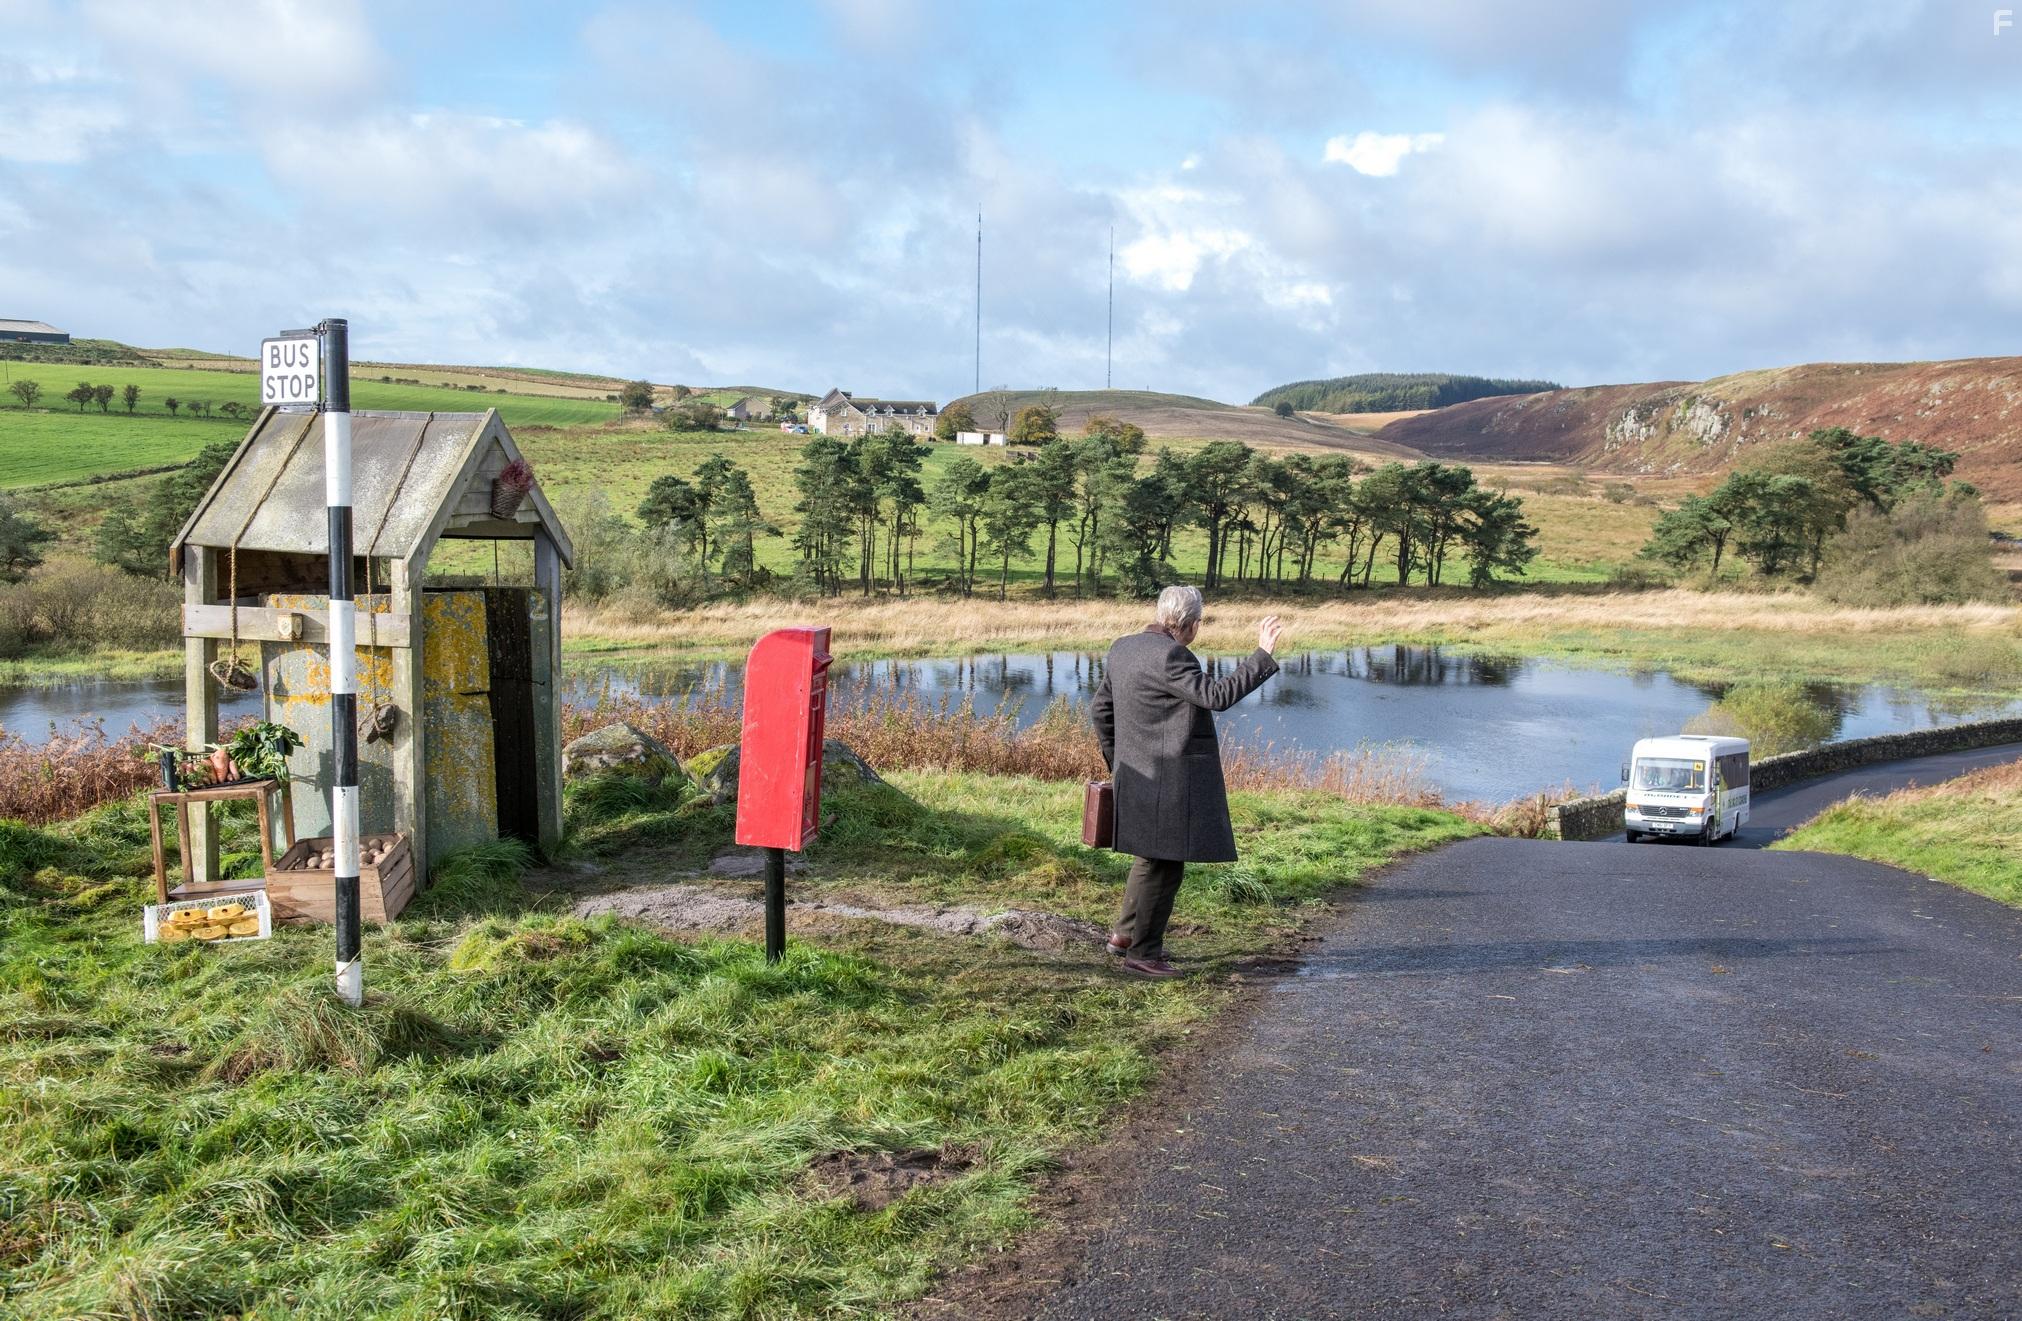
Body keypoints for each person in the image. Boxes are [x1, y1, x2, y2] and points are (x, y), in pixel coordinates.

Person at [1091, 586, 1284, 979]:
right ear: (1192, 624)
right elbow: (1217, 696)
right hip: (1169, 780)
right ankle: (1143, 955)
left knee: (1149, 856)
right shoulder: (1173, 655)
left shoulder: (1123, 648)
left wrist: (1119, 764)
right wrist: (1262, 654)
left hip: (1136, 773)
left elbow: (1100, 711)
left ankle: (1125, 936)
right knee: (1166, 865)